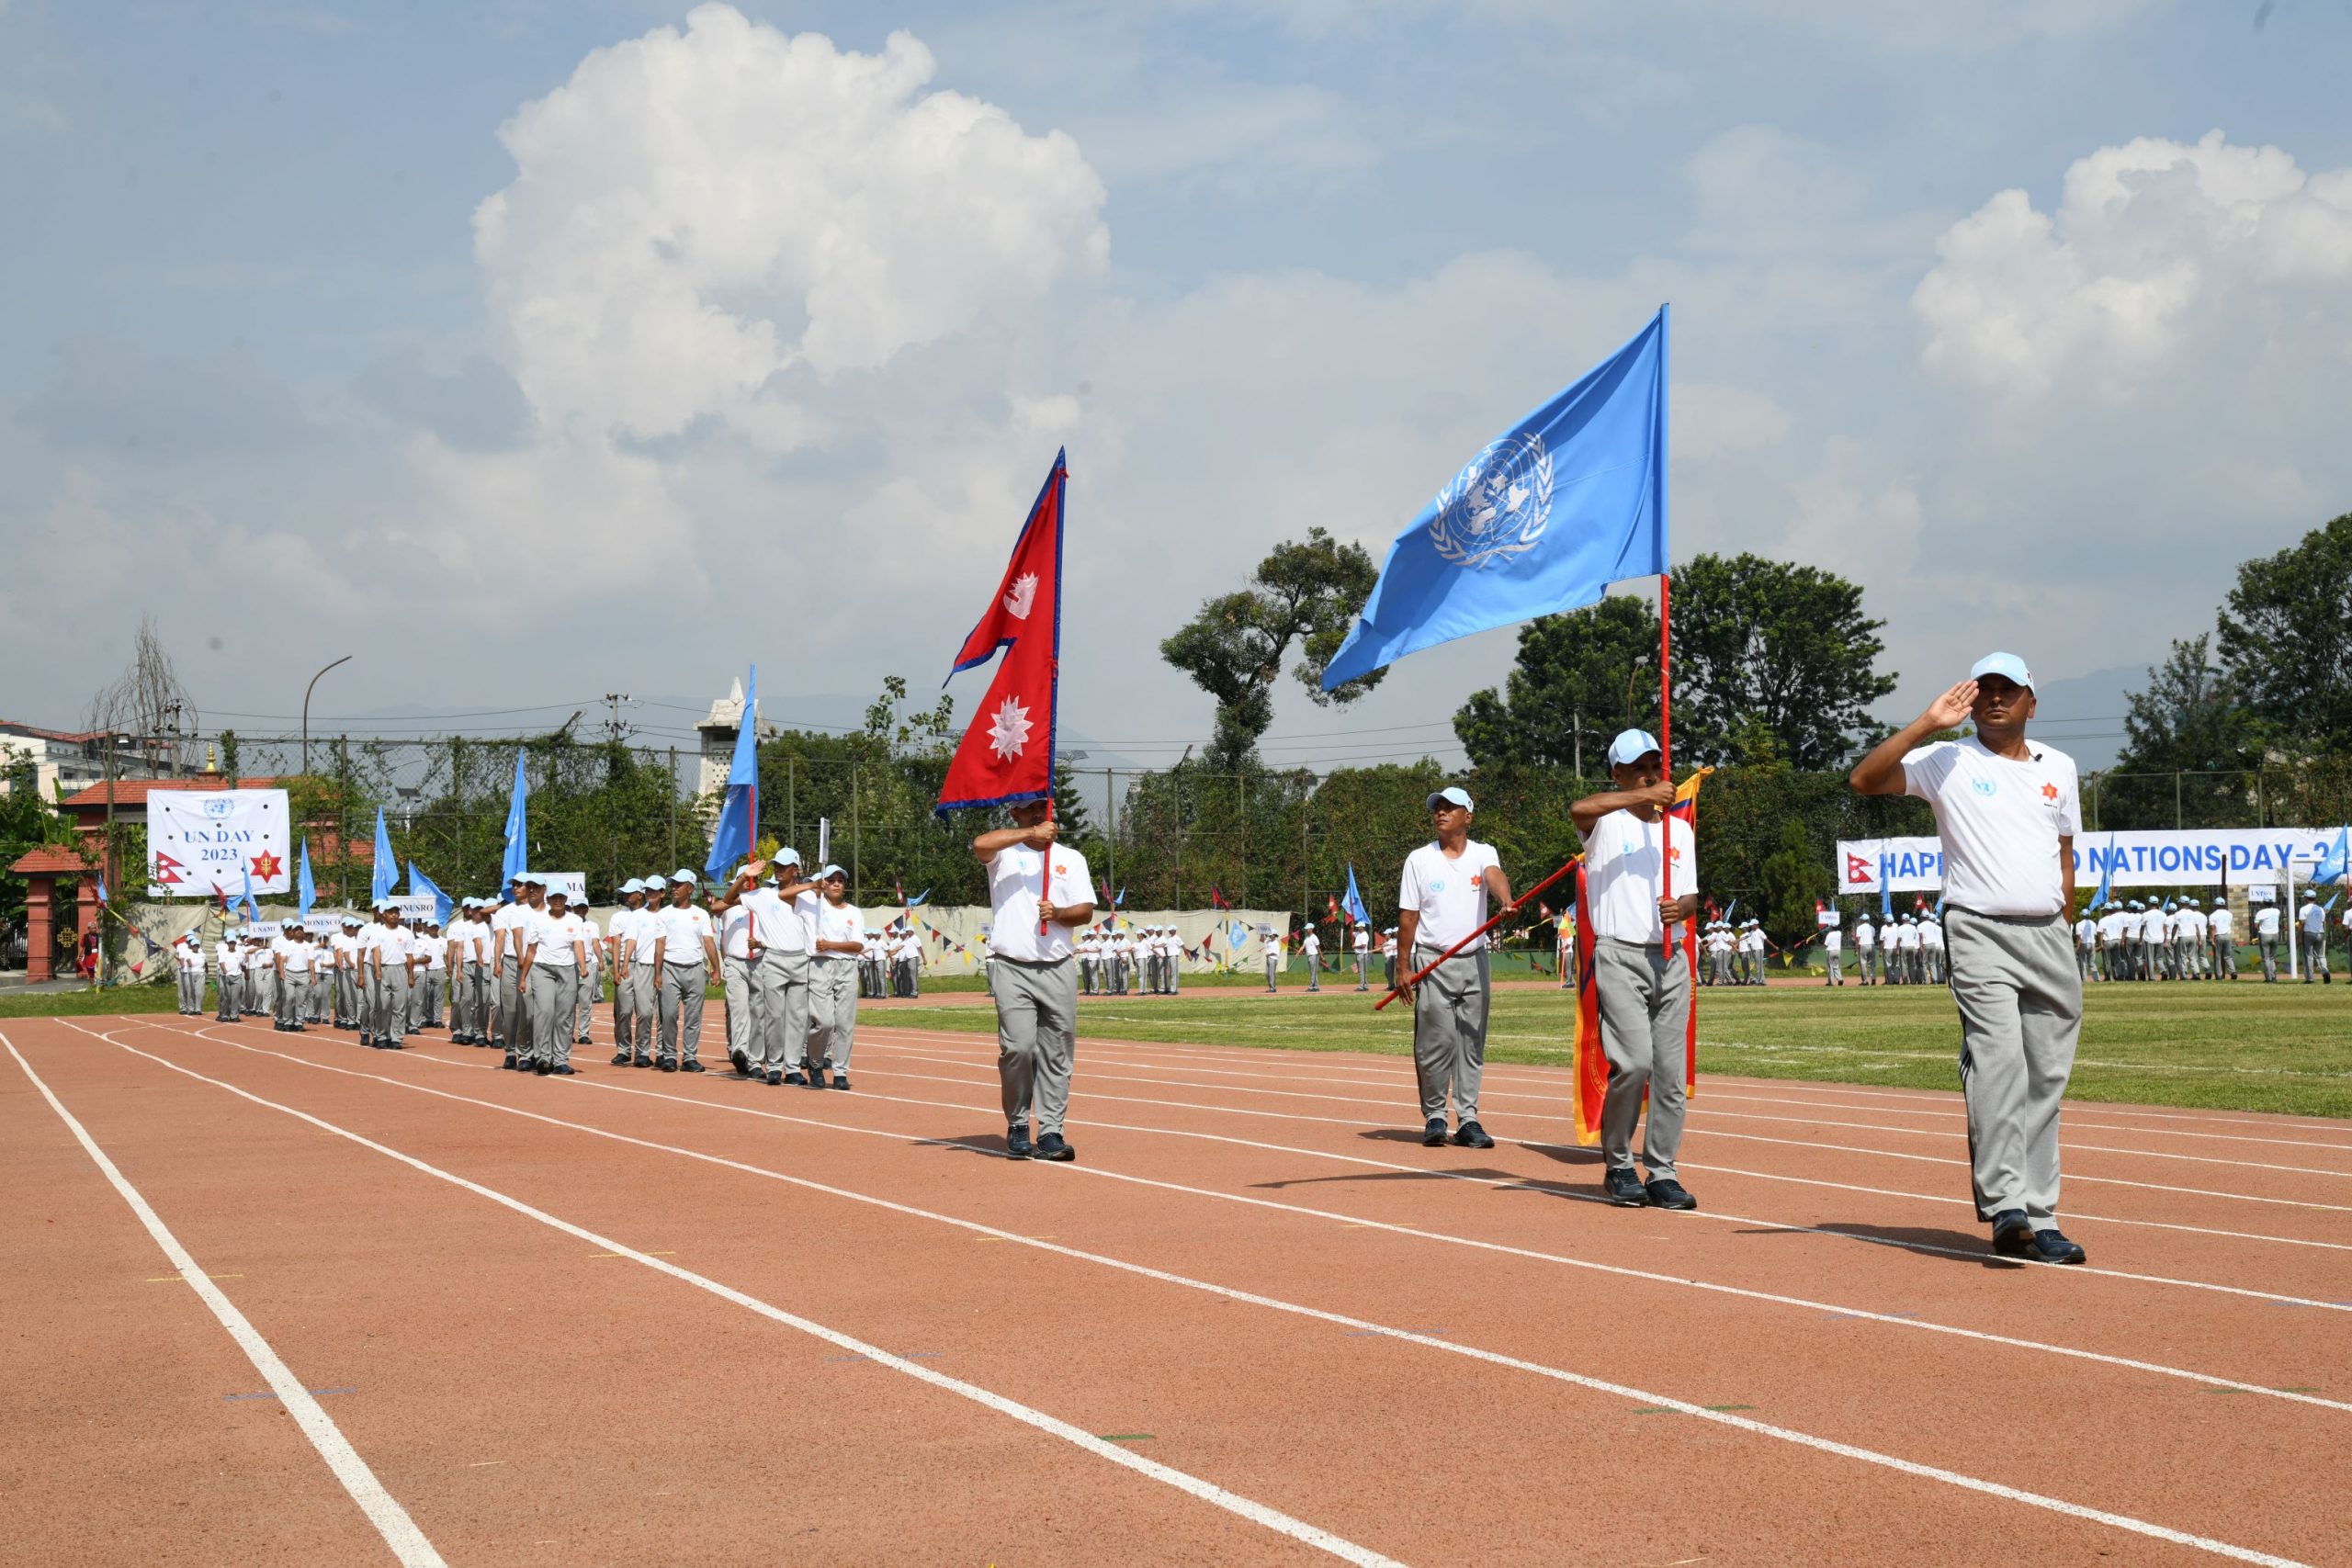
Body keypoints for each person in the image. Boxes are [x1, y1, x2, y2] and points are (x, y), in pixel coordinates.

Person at [1849, 652, 2086, 1265]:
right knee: (2000, 1063)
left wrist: (2068, 919)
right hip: (1979, 929)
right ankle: (2009, 1205)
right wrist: (1927, 723)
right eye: (1986, 688)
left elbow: (2065, 852)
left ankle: (2042, 1214)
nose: (1996, 698)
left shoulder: (2060, 768)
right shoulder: (1946, 759)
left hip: (2049, 935)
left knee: (2046, 1080)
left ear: (2033, 701)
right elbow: (1865, 780)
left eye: (2010, 689)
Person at [1571, 735, 1698, 1208]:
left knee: (1669, 1073)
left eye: (1654, 765)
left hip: (1671, 955)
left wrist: (1679, 909)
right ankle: (1620, 1164)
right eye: (1636, 767)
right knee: (1636, 1062)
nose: (1649, 773)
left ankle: (1662, 1170)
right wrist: (1644, 796)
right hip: (1619, 954)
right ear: (1617, 775)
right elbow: (1578, 808)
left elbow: (1688, 895)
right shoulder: (1605, 823)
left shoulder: (1679, 831)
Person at [974, 798, 1095, 1161]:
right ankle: (1016, 1123)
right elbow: (980, 845)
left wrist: (1057, 913)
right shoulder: (1004, 855)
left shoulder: (1071, 858)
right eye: (1030, 808)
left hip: (1057, 965)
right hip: (1011, 964)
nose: (1041, 813)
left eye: (1044, 808)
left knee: (1057, 1053)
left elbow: (1086, 911)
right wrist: (1030, 834)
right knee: (1019, 1049)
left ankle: (1052, 1131)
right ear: (1016, 814)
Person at [1396, 784, 1511, 1151]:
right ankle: (1434, 1116)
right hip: (1433, 960)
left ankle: (1468, 1118)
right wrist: (1403, 968)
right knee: (1436, 1043)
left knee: (1470, 1043)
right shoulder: (1419, 859)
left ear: (1468, 816)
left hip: (1474, 960)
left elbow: (1494, 875)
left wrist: (1505, 900)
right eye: (1437, 808)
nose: (1441, 812)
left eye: (1450, 807)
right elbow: (1408, 917)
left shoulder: (1483, 852)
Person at [727, 852, 821, 1085]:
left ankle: (793, 1068)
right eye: (776, 865)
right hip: (773, 960)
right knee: (775, 1016)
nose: (778, 869)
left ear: (795, 870)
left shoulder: (807, 896)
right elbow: (728, 900)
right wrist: (743, 877)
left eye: (784, 866)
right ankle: (775, 1067)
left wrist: (815, 886)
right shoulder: (762, 895)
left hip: (800, 959)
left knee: (798, 1018)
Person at [649, 870, 718, 1072]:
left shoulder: (701, 914)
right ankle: (669, 1056)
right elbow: (660, 945)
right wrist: (658, 974)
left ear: (690, 888)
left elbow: (708, 942)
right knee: (669, 1015)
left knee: (693, 1016)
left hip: (695, 968)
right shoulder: (664, 914)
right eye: (673, 884)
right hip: (670, 968)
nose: (674, 888)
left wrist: (716, 969)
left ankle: (689, 1058)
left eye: (678, 885)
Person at [518, 886, 586, 1075]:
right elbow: (531, 950)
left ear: (566, 899)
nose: (558, 900)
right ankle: (543, 1058)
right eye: (554, 897)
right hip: (542, 969)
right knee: (545, 1012)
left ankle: (561, 1059)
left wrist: (583, 966)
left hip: (567, 971)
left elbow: (578, 944)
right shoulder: (538, 920)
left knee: (564, 1016)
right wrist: (523, 977)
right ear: (548, 899)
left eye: (561, 897)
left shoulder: (575, 920)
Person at [808, 865, 863, 1089]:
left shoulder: (854, 912)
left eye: (841, 880)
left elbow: (857, 945)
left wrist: (830, 944)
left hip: (848, 967)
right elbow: (784, 895)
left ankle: (840, 1071)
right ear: (825, 884)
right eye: (831, 880)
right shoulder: (814, 907)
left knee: (844, 1023)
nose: (837, 884)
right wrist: (814, 887)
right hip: (821, 966)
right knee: (824, 1022)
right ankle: (815, 1063)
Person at [2300, 893, 2333, 984]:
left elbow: (2302, 924)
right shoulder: (2321, 909)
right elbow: (2322, 921)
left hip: (2309, 933)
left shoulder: (2303, 909)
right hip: (2320, 933)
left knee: (2308, 956)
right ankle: (2325, 971)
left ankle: (2310, 978)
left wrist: (2299, 936)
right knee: (2321, 955)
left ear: (2306, 898)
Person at [2254, 897, 2282, 981]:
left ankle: (2268, 978)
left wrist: (2260, 929)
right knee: (2272, 957)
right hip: (2275, 934)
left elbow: (2255, 925)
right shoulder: (2277, 911)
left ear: (2263, 903)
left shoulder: (2260, 912)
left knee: (2265, 958)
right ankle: (2274, 976)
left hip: (2265, 935)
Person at [2210, 897, 2237, 979]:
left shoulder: (2212, 915)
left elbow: (2213, 928)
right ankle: (2233, 972)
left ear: (2215, 905)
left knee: (2217, 957)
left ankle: (2219, 975)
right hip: (2228, 936)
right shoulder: (2229, 914)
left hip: (2218, 936)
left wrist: (2212, 939)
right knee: (2228, 955)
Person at [2074, 907, 2098, 981]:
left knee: (2083, 962)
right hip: (2092, 943)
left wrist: (2077, 949)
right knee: (2092, 963)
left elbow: (2078, 938)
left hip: (2083, 943)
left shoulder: (2079, 924)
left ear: (2082, 916)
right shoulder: (2093, 924)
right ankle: (2096, 978)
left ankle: (2084, 979)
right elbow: (2095, 934)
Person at [1854, 913, 1877, 986]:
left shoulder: (1859, 927)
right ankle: (1873, 978)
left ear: (1862, 920)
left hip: (1863, 945)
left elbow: (1858, 939)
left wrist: (1856, 949)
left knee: (1863, 963)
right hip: (1872, 945)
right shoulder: (1872, 927)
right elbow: (1873, 937)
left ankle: (1865, 981)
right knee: (1872, 963)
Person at [1823, 912, 1844, 987]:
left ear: (1831, 927)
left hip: (1830, 951)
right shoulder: (1839, 933)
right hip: (1838, 951)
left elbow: (1826, 944)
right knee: (1836, 966)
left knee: (1830, 967)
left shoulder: (1829, 934)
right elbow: (1840, 929)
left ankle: (1831, 982)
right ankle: (1840, 979)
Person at [1302, 925, 1322, 992]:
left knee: (1313, 972)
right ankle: (1316, 987)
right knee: (1313, 972)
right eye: (1306, 929)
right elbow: (1303, 946)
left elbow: (1318, 947)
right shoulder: (1307, 938)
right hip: (1309, 956)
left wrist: (1321, 956)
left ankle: (1311, 987)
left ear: (1311, 929)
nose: (1306, 930)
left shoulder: (1314, 937)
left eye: (1307, 929)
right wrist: (1298, 953)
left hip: (1314, 956)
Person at [1354, 921, 1373, 991]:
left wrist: (1355, 946)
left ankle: (1362, 986)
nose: (1358, 927)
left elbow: (1363, 946)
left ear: (1362, 927)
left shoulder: (1365, 935)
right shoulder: (1358, 934)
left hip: (1362, 954)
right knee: (1361, 970)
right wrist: (1351, 926)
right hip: (1358, 954)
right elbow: (1351, 933)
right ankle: (1365, 985)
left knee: (1362, 971)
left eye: (1359, 926)